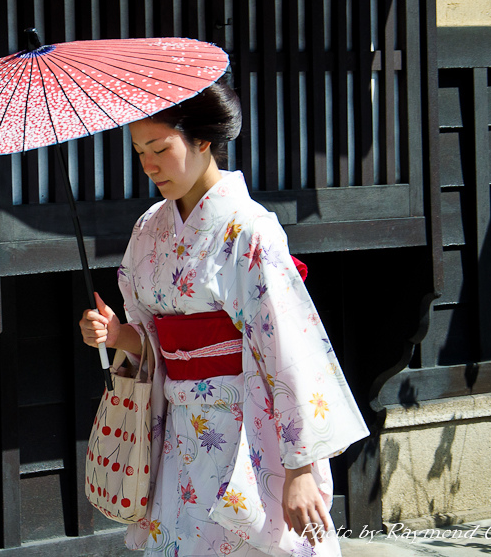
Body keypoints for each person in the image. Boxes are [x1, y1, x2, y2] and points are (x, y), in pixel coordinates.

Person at [78, 79, 369, 557]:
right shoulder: (149, 228)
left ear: (202, 140)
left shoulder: (249, 229)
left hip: (248, 430)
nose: (149, 166)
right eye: (138, 152)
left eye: (160, 149)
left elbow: (288, 346)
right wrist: (118, 336)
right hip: (177, 432)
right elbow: (153, 336)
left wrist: (298, 471)